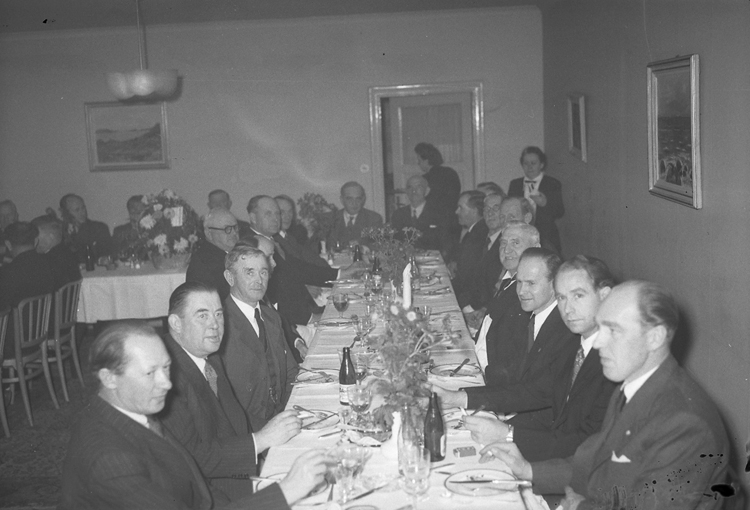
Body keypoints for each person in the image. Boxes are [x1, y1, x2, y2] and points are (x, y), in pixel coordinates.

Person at [479, 281, 734, 510]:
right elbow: (594, 460)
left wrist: (581, 507)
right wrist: (528, 470)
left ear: (654, 337)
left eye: (613, 330)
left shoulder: (685, 423)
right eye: (600, 328)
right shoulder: (631, 385)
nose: (599, 343)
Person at [59, 320, 327, 510]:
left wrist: (266, 489)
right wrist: (285, 492)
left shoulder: (132, 409)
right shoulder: (110, 460)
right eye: (150, 373)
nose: (166, 383)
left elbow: (197, 489)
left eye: (166, 367)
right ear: (109, 378)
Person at [464, 255, 617, 462]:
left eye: (578, 296)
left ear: (604, 295)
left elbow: (589, 442)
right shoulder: (575, 345)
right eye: (562, 298)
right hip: (552, 452)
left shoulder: (614, 362)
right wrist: (460, 397)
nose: (567, 309)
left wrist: (509, 434)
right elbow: (536, 392)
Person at [159, 282, 302, 500]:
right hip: (207, 494)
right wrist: (260, 441)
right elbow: (193, 457)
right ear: (176, 323)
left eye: (218, 314)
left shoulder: (210, 358)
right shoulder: (166, 376)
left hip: (234, 474)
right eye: (202, 316)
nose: (214, 325)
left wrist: (276, 437)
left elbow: (233, 420)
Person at [436, 248, 578, 418]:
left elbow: (536, 393)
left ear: (554, 285)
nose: (521, 291)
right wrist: (460, 394)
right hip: (517, 406)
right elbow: (512, 376)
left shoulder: (565, 330)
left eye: (531, 283)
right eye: (519, 282)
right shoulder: (530, 316)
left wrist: (461, 398)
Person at [218, 244, 299, 430]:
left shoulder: (271, 317)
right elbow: (224, 402)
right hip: (247, 429)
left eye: (263, 272)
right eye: (250, 272)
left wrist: (289, 412)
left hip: (281, 418)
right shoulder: (221, 324)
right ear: (230, 277)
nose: (259, 280)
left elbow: (291, 372)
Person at [247, 195, 361, 325]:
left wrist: (340, 273)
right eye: (268, 214)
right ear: (253, 217)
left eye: (277, 213)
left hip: (305, 310)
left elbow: (300, 267)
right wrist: (310, 318)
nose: (276, 218)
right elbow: (276, 295)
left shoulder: (272, 241)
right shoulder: (252, 246)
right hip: (290, 322)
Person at [463, 196, 535, 328]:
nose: (506, 223)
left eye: (511, 217)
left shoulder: (537, 255)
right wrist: (486, 310)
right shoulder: (503, 247)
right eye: (502, 217)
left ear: (527, 218)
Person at [508, 146, 564, 255]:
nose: (529, 167)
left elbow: (560, 212)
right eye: (526, 163)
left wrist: (545, 203)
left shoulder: (552, 183)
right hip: (520, 235)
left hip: (546, 236)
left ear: (541, 164)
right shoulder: (515, 184)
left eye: (533, 163)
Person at [0, 221, 55, 310]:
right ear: (36, 241)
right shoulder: (49, 263)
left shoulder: (7, 272)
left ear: (8, 244)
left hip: (16, 318)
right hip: (43, 317)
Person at [187, 208, 240, 300]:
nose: (234, 233)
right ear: (209, 233)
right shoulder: (207, 262)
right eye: (227, 229)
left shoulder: (229, 253)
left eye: (235, 227)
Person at [390, 175, 452, 254]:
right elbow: (394, 242)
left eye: (419, 187)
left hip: (432, 259)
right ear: (406, 191)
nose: (414, 191)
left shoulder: (440, 214)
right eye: (410, 187)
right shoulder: (398, 214)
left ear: (427, 191)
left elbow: (447, 243)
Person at [450, 190, 488, 299]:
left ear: (474, 211)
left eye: (461, 208)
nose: (456, 212)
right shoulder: (474, 231)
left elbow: (466, 277)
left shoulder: (479, 235)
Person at [274, 195, 329, 268]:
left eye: (290, 211)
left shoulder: (290, 238)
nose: (288, 216)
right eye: (282, 212)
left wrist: (332, 271)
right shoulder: (274, 240)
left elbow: (311, 257)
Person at [414, 142, 461, 227]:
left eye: (419, 160)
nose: (418, 163)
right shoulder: (451, 172)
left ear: (426, 161)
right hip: (453, 220)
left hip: (433, 222)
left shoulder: (424, 179)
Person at [326, 181, 383, 249]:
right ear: (342, 200)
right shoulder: (330, 218)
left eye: (358, 199)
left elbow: (377, 244)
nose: (354, 203)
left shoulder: (373, 219)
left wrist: (363, 247)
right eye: (349, 199)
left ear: (363, 200)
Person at [59, 193, 112, 264]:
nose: (82, 212)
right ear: (66, 213)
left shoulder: (99, 228)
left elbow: (106, 253)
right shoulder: (60, 232)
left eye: (83, 208)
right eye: (77, 210)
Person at [32, 215, 81, 291]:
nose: (33, 240)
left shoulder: (48, 260)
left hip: (55, 298)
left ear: (51, 237)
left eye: (36, 236)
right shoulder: (66, 252)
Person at [111, 195, 146, 260]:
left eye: (139, 212)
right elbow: (114, 255)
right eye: (132, 211)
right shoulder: (119, 231)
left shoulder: (154, 230)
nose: (134, 214)